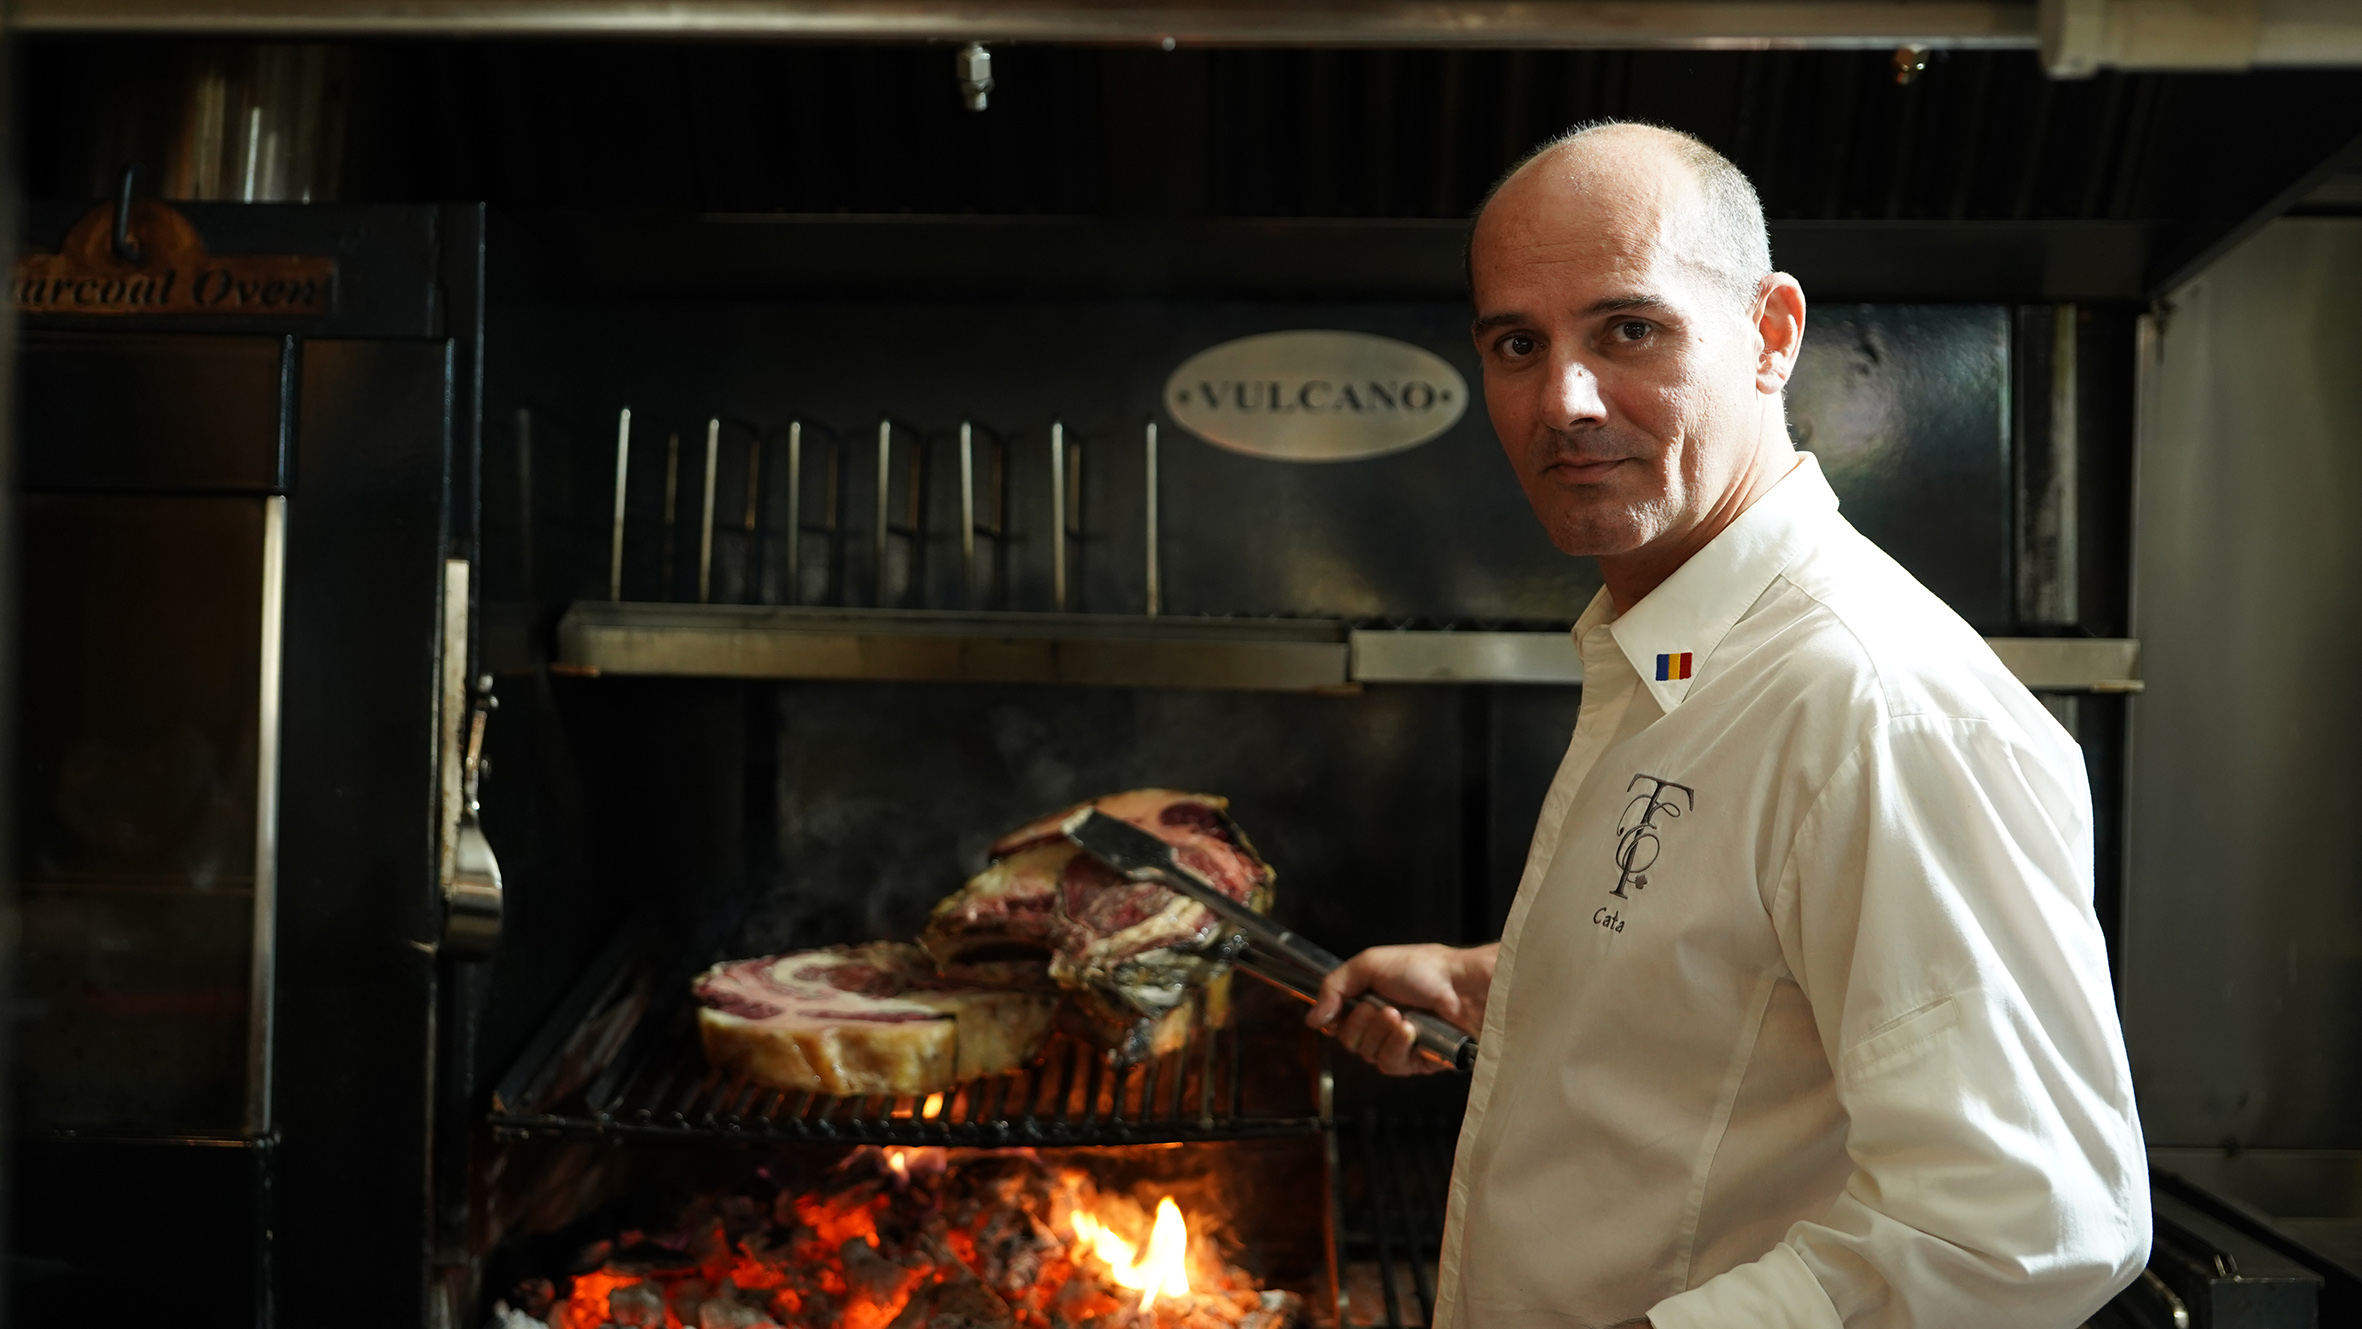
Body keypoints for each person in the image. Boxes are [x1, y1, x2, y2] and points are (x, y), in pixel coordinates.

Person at [1307, 122, 2148, 1329]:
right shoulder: (1671, 651)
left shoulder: (1879, 706)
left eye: (1627, 329)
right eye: (1517, 344)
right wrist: (1513, 988)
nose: (1564, 401)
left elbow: (2023, 1226)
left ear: (1770, 335)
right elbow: (1763, 984)